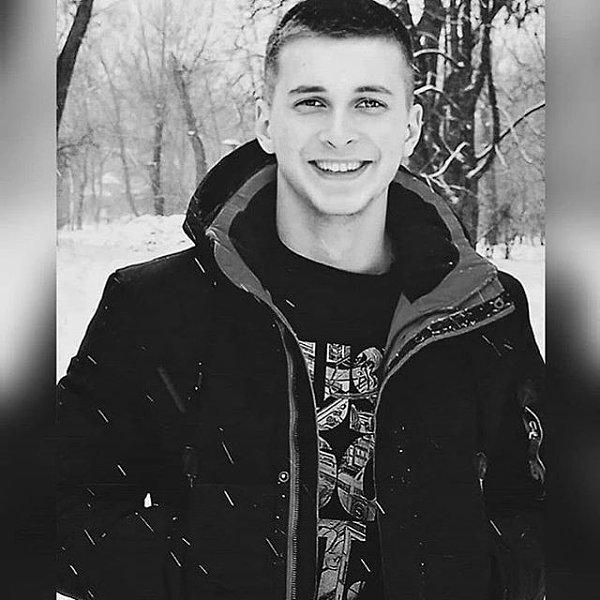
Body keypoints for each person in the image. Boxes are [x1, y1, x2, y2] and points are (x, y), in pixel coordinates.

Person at [57, 1, 545, 599]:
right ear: (266, 121)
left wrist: (471, 572)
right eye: (311, 101)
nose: (339, 131)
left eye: (369, 102)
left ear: (411, 127)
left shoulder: (482, 312)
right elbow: (59, 508)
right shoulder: (155, 307)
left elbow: (539, 514)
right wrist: (205, 572)